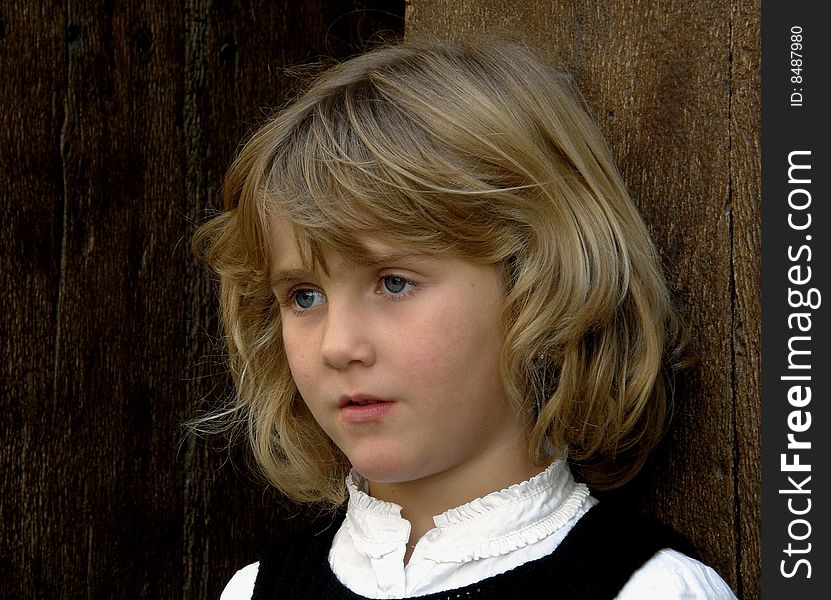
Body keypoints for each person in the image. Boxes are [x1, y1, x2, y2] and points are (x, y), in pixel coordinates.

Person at [194, 37, 737, 599]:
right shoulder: (255, 591)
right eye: (305, 296)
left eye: (393, 283)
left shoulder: (650, 591)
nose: (337, 345)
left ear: (534, 281)